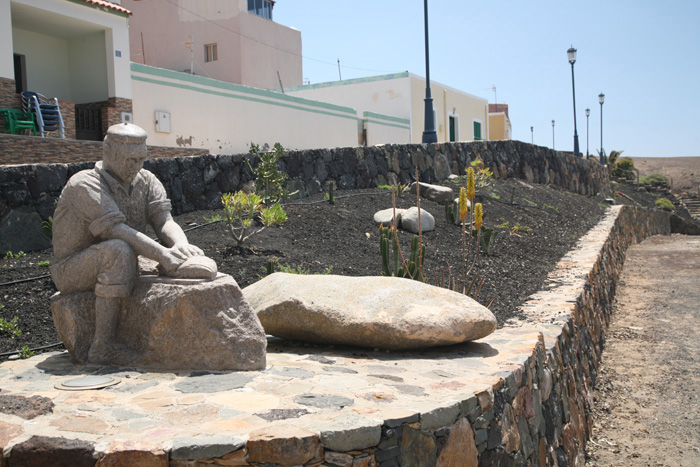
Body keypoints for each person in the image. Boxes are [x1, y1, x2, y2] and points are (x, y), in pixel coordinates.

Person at [51, 123, 206, 363]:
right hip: (72, 268)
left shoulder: (146, 180)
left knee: (190, 265)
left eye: (141, 159)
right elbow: (116, 231)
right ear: (109, 153)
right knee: (118, 250)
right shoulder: (84, 184)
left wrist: (180, 246)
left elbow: (163, 220)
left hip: (125, 257)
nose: (136, 166)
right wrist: (162, 255)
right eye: (129, 159)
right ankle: (103, 346)